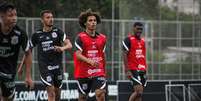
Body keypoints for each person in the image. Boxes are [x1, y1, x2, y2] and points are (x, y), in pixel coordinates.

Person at [30, 10, 72, 101]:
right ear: (42, 20)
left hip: (57, 67)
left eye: (52, 17)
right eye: (48, 17)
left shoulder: (58, 32)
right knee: (51, 93)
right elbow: (28, 50)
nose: (51, 19)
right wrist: (22, 66)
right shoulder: (37, 35)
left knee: (57, 95)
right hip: (45, 68)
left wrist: (62, 48)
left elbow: (69, 45)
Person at [0, 1, 33, 101]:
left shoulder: (20, 34)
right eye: (10, 15)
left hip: (9, 71)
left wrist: (28, 76)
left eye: (15, 15)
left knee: (7, 98)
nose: (14, 18)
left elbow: (28, 53)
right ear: (1, 16)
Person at [74, 9, 107, 101]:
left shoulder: (102, 38)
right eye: (90, 20)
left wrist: (104, 72)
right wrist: (90, 61)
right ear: (85, 23)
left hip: (98, 70)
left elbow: (103, 55)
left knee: (100, 94)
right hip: (83, 72)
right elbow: (77, 54)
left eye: (95, 20)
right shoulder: (80, 37)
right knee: (82, 97)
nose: (93, 22)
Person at [122, 22, 147, 101]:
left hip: (142, 70)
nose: (139, 30)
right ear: (133, 28)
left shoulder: (143, 41)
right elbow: (124, 54)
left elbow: (142, 56)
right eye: (138, 29)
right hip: (133, 69)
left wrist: (145, 70)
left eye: (141, 29)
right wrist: (127, 70)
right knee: (138, 91)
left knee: (140, 95)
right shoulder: (128, 39)